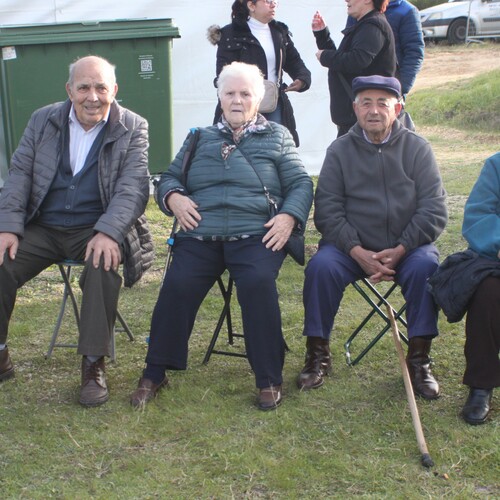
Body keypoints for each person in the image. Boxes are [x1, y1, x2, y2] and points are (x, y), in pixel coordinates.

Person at [130, 61, 313, 411]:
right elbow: (168, 178)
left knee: (258, 283)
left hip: (256, 236)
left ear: (259, 99)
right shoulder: (199, 136)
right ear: (219, 96)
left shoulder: (277, 136)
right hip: (202, 236)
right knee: (178, 284)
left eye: (246, 93)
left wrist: (289, 217)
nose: (237, 100)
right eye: (230, 93)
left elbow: (301, 183)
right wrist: (174, 197)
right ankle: (155, 372)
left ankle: (268, 378)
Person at [0, 55, 153, 407]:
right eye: (84, 87)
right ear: (69, 91)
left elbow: (133, 189)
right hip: (44, 226)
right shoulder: (43, 119)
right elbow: (19, 174)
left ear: (114, 90)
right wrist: (8, 227)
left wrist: (109, 231)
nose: (93, 96)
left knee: (102, 264)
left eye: (101, 87)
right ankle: (1, 354)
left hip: (95, 227)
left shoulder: (133, 126)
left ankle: (93, 365)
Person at [298, 75, 447, 400]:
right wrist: (356, 250)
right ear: (355, 108)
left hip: (407, 249)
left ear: (398, 107)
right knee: (321, 267)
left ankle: (419, 360)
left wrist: (402, 247)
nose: (374, 110)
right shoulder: (339, 150)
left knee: (426, 268)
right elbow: (327, 210)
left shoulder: (418, 149)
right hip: (350, 251)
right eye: (366, 102)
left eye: (383, 102)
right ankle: (317, 355)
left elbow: (434, 210)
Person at [429, 153, 500, 425]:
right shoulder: (496, 165)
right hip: (497, 258)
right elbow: (478, 216)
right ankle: (481, 385)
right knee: (487, 293)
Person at [207, 0, 311, 146]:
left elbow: (295, 61)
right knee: (240, 148)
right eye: (268, 1)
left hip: (274, 102)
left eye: (275, 1)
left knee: (276, 147)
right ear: (251, 5)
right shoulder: (230, 34)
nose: (273, 4)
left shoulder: (279, 32)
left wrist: (302, 79)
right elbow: (223, 73)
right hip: (240, 103)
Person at [312, 1, 396, 137]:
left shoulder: (372, 26)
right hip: (357, 118)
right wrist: (322, 35)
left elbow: (357, 61)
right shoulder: (366, 25)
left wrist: (325, 56)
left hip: (365, 119)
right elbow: (343, 65)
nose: (347, 0)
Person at [346, 0, 425, 98]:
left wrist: (400, 88)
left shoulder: (407, 10)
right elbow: (348, 48)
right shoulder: (358, 9)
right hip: (360, 88)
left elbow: (414, 52)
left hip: (389, 90)